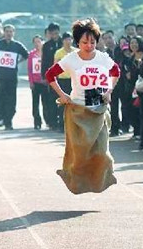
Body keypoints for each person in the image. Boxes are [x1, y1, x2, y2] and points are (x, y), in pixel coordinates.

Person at [45, 18, 120, 194]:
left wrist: (109, 91)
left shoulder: (103, 58)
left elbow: (116, 71)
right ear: (77, 42)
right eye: (85, 42)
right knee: (79, 155)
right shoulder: (71, 59)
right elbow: (50, 75)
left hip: (99, 110)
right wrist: (62, 95)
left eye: (93, 42)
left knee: (101, 153)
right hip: (78, 110)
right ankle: (71, 178)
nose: (89, 45)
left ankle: (104, 178)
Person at [0, 24, 29, 130]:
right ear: (4, 32)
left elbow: (26, 55)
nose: (9, 33)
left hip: (12, 77)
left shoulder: (17, 45)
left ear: (14, 33)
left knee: (11, 101)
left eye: (11, 31)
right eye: (7, 31)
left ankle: (8, 123)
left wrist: (17, 61)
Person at [52, 32, 76, 131]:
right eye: (66, 39)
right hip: (62, 80)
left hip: (74, 80)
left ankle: (74, 125)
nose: (68, 41)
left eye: (70, 39)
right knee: (63, 103)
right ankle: (62, 125)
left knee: (74, 103)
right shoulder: (59, 52)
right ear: (62, 41)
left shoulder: (76, 52)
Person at [41, 22, 63, 129]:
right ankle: (53, 122)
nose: (54, 34)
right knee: (52, 99)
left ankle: (63, 122)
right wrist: (44, 76)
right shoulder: (46, 46)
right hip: (52, 76)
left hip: (64, 76)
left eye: (56, 32)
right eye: (52, 32)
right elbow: (44, 62)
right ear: (49, 33)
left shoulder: (64, 43)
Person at [27, 35, 47, 130]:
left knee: (45, 102)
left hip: (44, 82)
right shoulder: (31, 54)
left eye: (39, 42)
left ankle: (47, 120)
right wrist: (31, 82)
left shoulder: (46, 53)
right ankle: (37, 122)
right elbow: (30, 69)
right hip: (35, 82)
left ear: (42, 42)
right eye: (35, 42)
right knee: (35, 103)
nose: (37, 44)